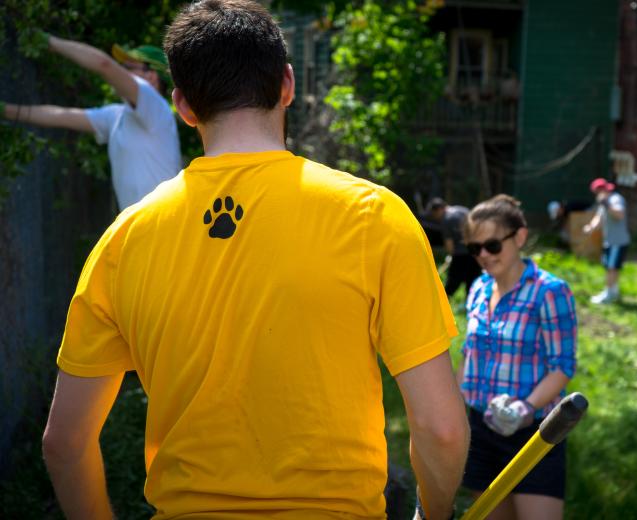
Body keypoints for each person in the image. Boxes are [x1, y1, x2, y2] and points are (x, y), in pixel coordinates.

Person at [41, 2, 469, 519]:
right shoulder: (371, 217)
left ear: (183, 106)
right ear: (287, 85)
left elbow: (64, 445)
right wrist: (436, 511)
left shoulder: (125, 237)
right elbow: (441, 430)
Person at [458, 194, 577, 520]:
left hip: (534, 435)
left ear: (519, 237)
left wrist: (526, 407)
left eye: (492, 245)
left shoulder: (549, 291)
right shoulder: (479, 289)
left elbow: (562, 366)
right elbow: (470, 355)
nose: (483, 255)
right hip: (480, 431)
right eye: (474, 248)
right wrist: (454, 408)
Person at [1, 34, 180, 210]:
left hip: (163, 228)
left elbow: (104, 65)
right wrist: (6, 110)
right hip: (143, 229)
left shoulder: (157, 107)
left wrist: (49, 41)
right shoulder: (117, 116)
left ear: (151, 77)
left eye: (128, 67)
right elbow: (61, 116)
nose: (122, 71)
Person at [583, 178, 630, 304]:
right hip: (609, 241)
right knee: (610, 267)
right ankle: (613, 292)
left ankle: (609, 294)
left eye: (597, 192)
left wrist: (606, 204)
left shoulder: (615, 199)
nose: (596, 195)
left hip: (618, 242)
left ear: (602, 190)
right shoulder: (604, 203)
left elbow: (619, 215)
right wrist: (590, 228)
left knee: (612, 268)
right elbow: (599, 218)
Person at [427, 197, 483, 296]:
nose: (435, 218)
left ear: (439, 209)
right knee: (472, 282)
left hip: (461, 254)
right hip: (476, 251)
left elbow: (449, 245)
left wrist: (451, 255)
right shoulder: (462, 210)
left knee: (452, 283)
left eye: (434, 214)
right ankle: (470, 306)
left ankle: (441, 305)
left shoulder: (446, 219)